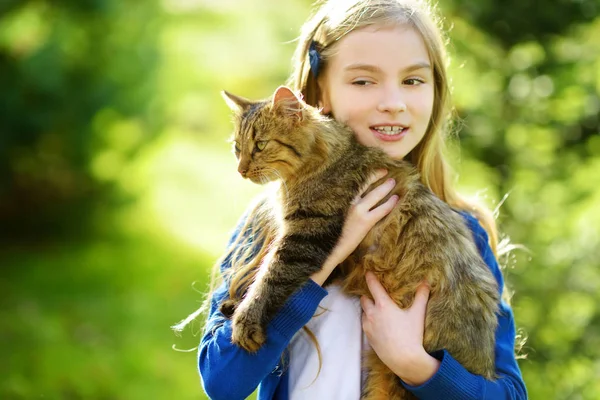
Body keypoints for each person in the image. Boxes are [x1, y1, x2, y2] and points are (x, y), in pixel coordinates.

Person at [189, 0, 527, 398]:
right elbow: (222, 383)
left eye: (413, 81)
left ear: (436, 92)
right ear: (315, 98)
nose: (393, 102)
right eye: (363, 81)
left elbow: (509, 393)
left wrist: (414, 365)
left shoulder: (464, 231)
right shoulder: (266, 225)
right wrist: (323, 256)